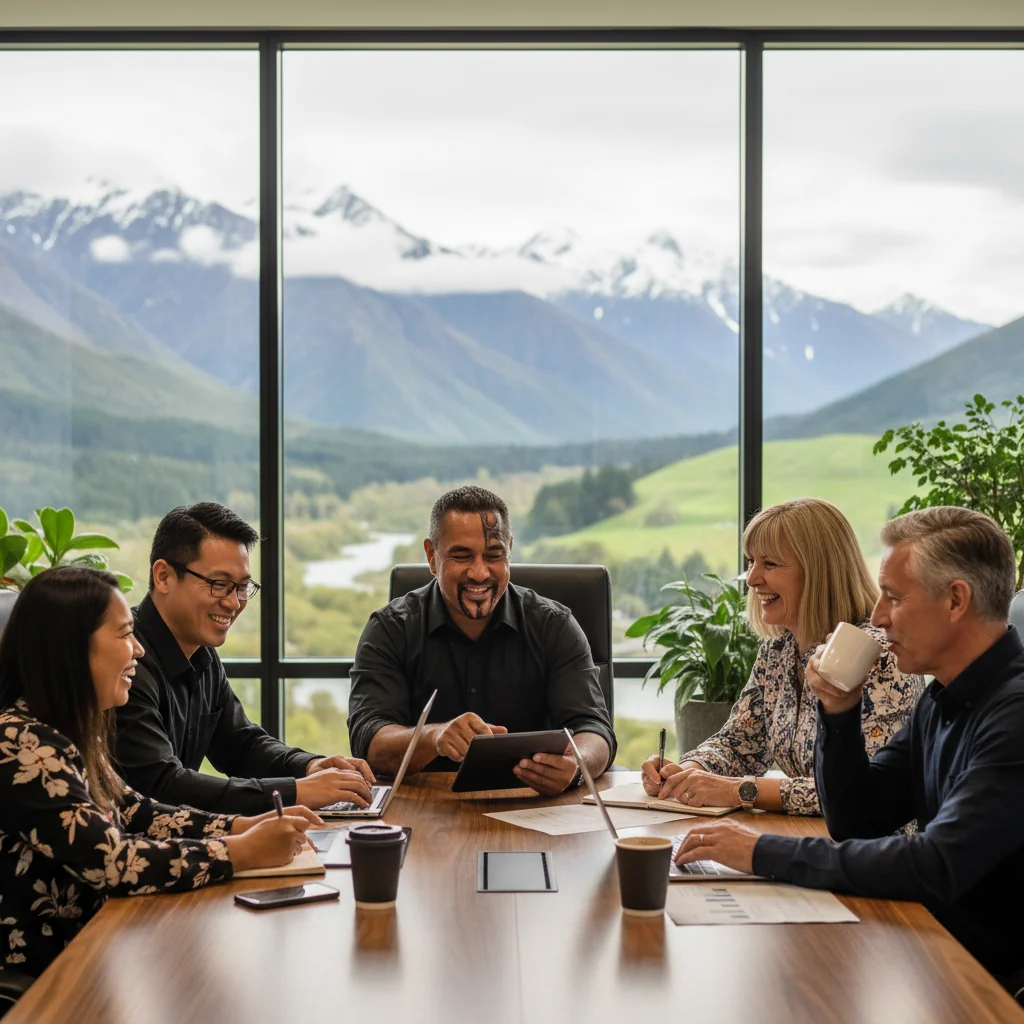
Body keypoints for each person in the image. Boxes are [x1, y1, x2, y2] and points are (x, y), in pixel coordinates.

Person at [674, 507, 1024, 1003]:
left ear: (955, 600)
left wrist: (758, 851)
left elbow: (936, 863)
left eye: (895, 598)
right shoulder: (943, 697)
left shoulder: (1014, 716)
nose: (878, 616)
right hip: (929, 944)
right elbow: (858, 819)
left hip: (982, 982)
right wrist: (839, 712)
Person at [0, 566, 319, 981]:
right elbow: (113, 863)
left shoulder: (68, 729)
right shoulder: (22, 745)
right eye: (123, 635)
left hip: (97, 949)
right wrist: (241, 851)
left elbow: (135, 812)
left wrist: (241, 826)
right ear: (72, 650)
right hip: (47, 976)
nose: (139, 650)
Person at [641, 498, 924, 814]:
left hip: (881, 851)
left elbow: (861, 791)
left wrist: (742, 791)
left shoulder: (876, 654)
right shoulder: (778, 651)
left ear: (819, 572)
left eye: (770, 564)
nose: (751, 579)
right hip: (810, 839)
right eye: (751, 562)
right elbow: (739, 746)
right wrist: (687, 771)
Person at [348, 486, 616, 796]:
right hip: (424, 807)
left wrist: (576, 765)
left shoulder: (554, 626)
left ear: (510, 551)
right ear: (432, 556)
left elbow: (594, 730)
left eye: (493, 555)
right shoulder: (390, 629)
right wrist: (434, 737)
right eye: (461, 556)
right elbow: (368, 740)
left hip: (534, 806)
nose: (479, 573)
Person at [113, 502, 374, 815]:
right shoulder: (124, 661)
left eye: (242, 587)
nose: (233, 603)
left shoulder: (201, 650)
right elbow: (160, 785)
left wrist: (310, 766)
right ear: (164, 576)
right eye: (219, 584)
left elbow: (241, 746)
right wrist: (296, 791)